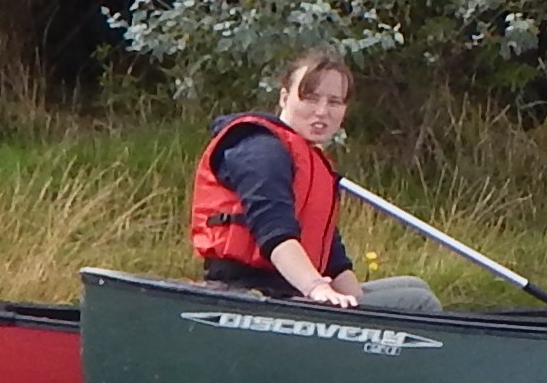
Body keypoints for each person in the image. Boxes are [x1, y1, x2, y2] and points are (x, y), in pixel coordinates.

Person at [189, 47, 443, 313]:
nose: (322, 112)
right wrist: (317, 288)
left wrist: (357, 301)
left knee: (415, 287)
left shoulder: (310, 157)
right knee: (421, 304)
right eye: (310, 99)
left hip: (294, 286)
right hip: (256, 289)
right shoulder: (260, 147)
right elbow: (274, 233)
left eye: (334, 102)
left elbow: (331, 256)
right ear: (285, 97)